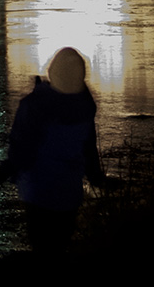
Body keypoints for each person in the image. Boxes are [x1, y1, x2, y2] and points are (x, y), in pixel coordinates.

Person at [8, 47, 105, 252]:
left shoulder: (33, 107)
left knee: (41, 248)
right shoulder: (85, 109)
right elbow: (89, 153)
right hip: (69, 195)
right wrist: (98, 178)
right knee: (60, 247)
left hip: (37, 193)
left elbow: (20, 152)